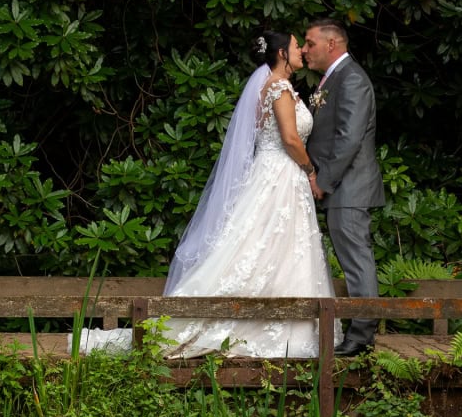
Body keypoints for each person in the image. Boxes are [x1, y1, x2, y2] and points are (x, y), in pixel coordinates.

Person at [74, 31, 341, 357]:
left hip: (276, 176)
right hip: (282, 176)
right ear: (283, 54)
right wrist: (311, 170)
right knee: (271, 248)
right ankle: (272, 330)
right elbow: (289, 138)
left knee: (275, 249)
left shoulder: (271, 87)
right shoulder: (280, 88)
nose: (301, 50)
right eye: (297, 45)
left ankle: (281, 327)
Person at [303, 18, 385, 357]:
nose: (306, 50)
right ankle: (361, 331)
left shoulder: (351, 78)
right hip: (343, 186)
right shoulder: (335, 78)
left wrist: (323, 180)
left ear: (331, 44)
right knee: (352, 256)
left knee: (355, 258)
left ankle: (362, 334)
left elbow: (349, 139)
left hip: (349, 187)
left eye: (310, 43)